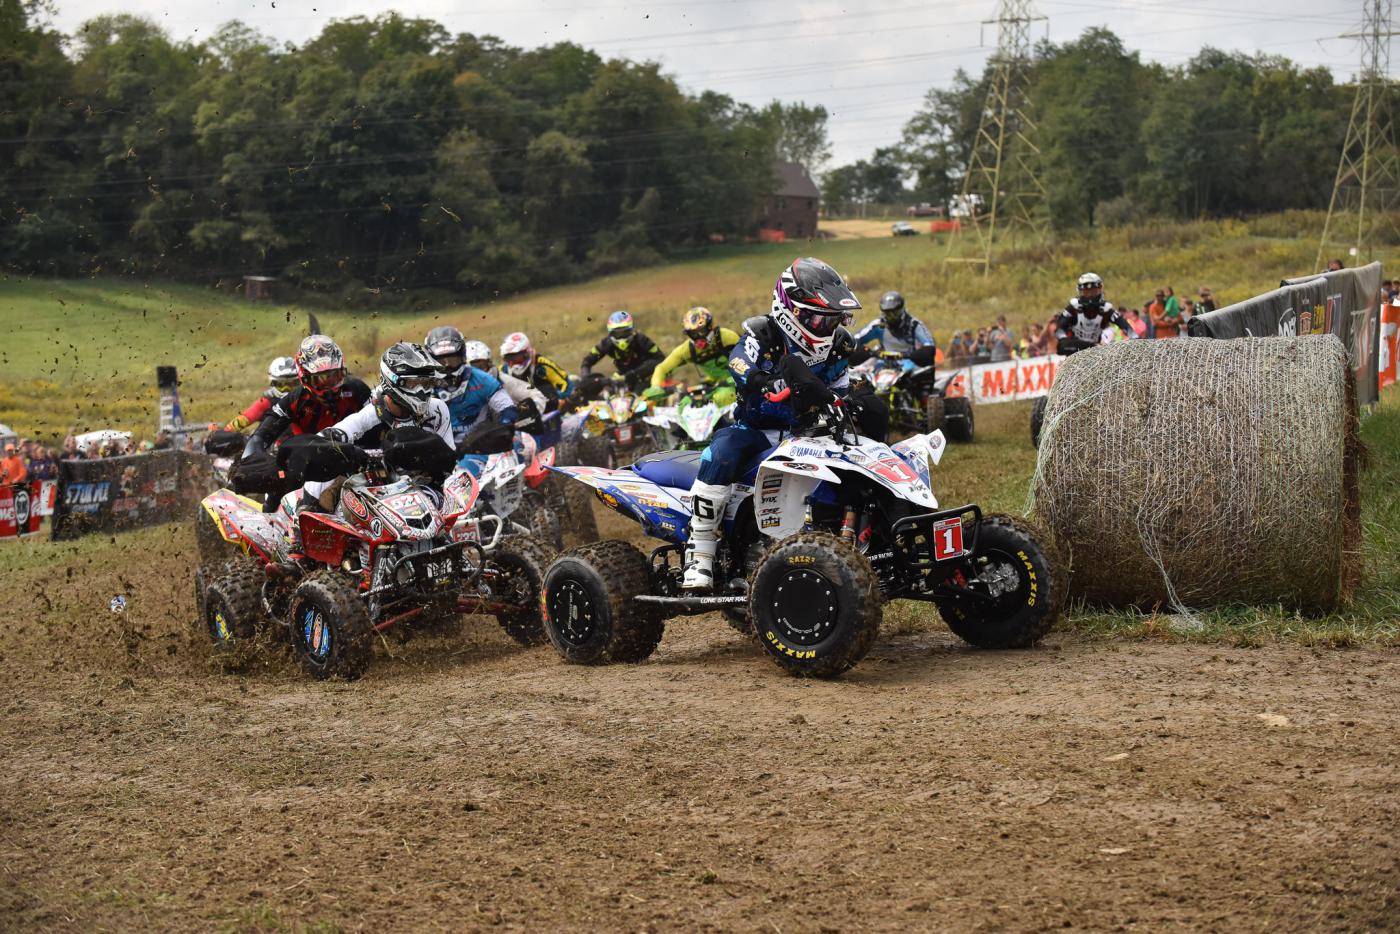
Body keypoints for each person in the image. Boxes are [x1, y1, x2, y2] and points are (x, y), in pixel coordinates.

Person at [681, 257, 866, 591]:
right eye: (819, 319)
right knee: (719, 453)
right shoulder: (763, 331)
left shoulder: (839, 346)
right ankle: (700, 553)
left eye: (834, 319)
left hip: (807, 432)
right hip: (754, 429)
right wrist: (762, 380)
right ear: (791, 310)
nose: (827, 328)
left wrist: (849, 402)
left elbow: (839, 387)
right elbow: (738, 361)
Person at [299, 343, 456, 516]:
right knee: (324, 461)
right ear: (394, 380)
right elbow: (330, 435)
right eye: (414, 383)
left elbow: (449, 465)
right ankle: (309, 517)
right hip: (375, 488)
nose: (422, 391)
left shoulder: (437, 410)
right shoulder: (371, 414)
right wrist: (344, 451)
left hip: (420, 486)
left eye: (426, 383)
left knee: (453, 491)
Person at [243, 336, 372, 458]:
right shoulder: (295, 400)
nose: (329, 387)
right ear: (305, 379)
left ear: (343, 372)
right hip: (308, 462)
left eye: (334, 377)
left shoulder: (356, 389)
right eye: (319, 380)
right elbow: (259, 437)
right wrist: (252, 460)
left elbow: (380, 420)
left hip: (357, 457)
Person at [423, 326, 521, 444]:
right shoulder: (421, 387)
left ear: (463, 357)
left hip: (483, 443)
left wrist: (505, 425)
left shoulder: (483, 379)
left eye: (452, 360)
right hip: (441, 448)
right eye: (441, 363)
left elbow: (507, 408)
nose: (447, 367)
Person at [647, 307, 741, 406]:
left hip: (738, 381)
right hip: (714, 384)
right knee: (685, 403)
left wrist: (732, 380)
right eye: (693, 334)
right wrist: (655, 388)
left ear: (711, 327)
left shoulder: (727, 337)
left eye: (702, 331)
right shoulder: (687, 349)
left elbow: (749, 359)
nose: (698, 337)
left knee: (720, 398)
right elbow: (662, 368)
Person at [580, 311, 664, 392]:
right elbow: (586, 362)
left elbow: (660, 358)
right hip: (622, 376)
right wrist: (586, 380)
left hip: (645, 375)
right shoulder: (606, 343)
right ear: (610, 333)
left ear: (631, 330)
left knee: (639, 392)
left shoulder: (641, 340)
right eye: (617, 334)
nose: (621, 337)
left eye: (625, 332)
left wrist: (634, 374)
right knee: (607, 392)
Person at [1053, 272, 1137, 352]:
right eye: (1086, 292)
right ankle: (1092, 346)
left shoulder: (1106, 309)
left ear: (1100, 290)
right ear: (1080, 292)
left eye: (1093, 292)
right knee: (1062, 345)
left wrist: (1136, 341)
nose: (1090, 296)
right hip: (1077, 348)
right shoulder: (1073, 308)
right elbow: (1059, 331)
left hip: (1096, 351)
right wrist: (1066, 339)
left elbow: (1126, 327)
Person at [852, 291, 937, 366]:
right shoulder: (878, 325)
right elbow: (855, 339)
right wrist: (867, 352)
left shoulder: (914, 324)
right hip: (884, 365)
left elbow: (929, 345)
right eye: (888, 314)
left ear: (902, 310)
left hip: (910, 364)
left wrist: (918, 354)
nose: (891, 318)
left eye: (895, 313)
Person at [500, 332, 573, 414]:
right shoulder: (503, 371)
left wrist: (563, 400)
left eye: (515, 357)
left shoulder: (541, 364)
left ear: (526, 353)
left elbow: (565, 383)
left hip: (551, 407)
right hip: (522, 411)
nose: (511, 362)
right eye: (508, 358)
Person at [225, 356, 298, 432]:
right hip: (272, 438)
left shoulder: (305, 399)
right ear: (273, 383)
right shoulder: (266, 402)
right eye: (281, 384)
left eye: (292, 384)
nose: (286, 389)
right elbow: (246, 417)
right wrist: (225, 432)